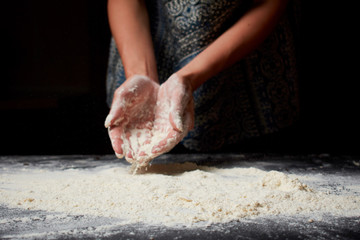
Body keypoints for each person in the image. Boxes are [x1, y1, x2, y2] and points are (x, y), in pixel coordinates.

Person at [104, 0, 300, 166]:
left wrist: (189, 77)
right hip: (145, 45)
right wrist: (141, 74)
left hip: (248, 70)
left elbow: (271, 3)